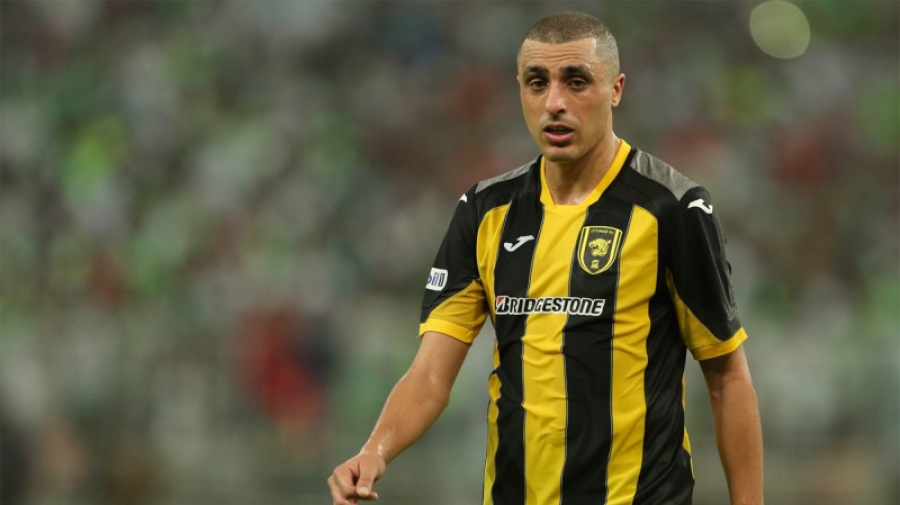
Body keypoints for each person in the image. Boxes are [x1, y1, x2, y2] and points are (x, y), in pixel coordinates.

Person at [328, 11, 763, 505]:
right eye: (538, 83)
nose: (554, 103)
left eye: (576, 82)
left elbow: (727, 376)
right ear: (520, 90)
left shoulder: (672, 208)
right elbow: (430, 375)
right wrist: (374, 451)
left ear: (616, 89)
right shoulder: (485, 211)